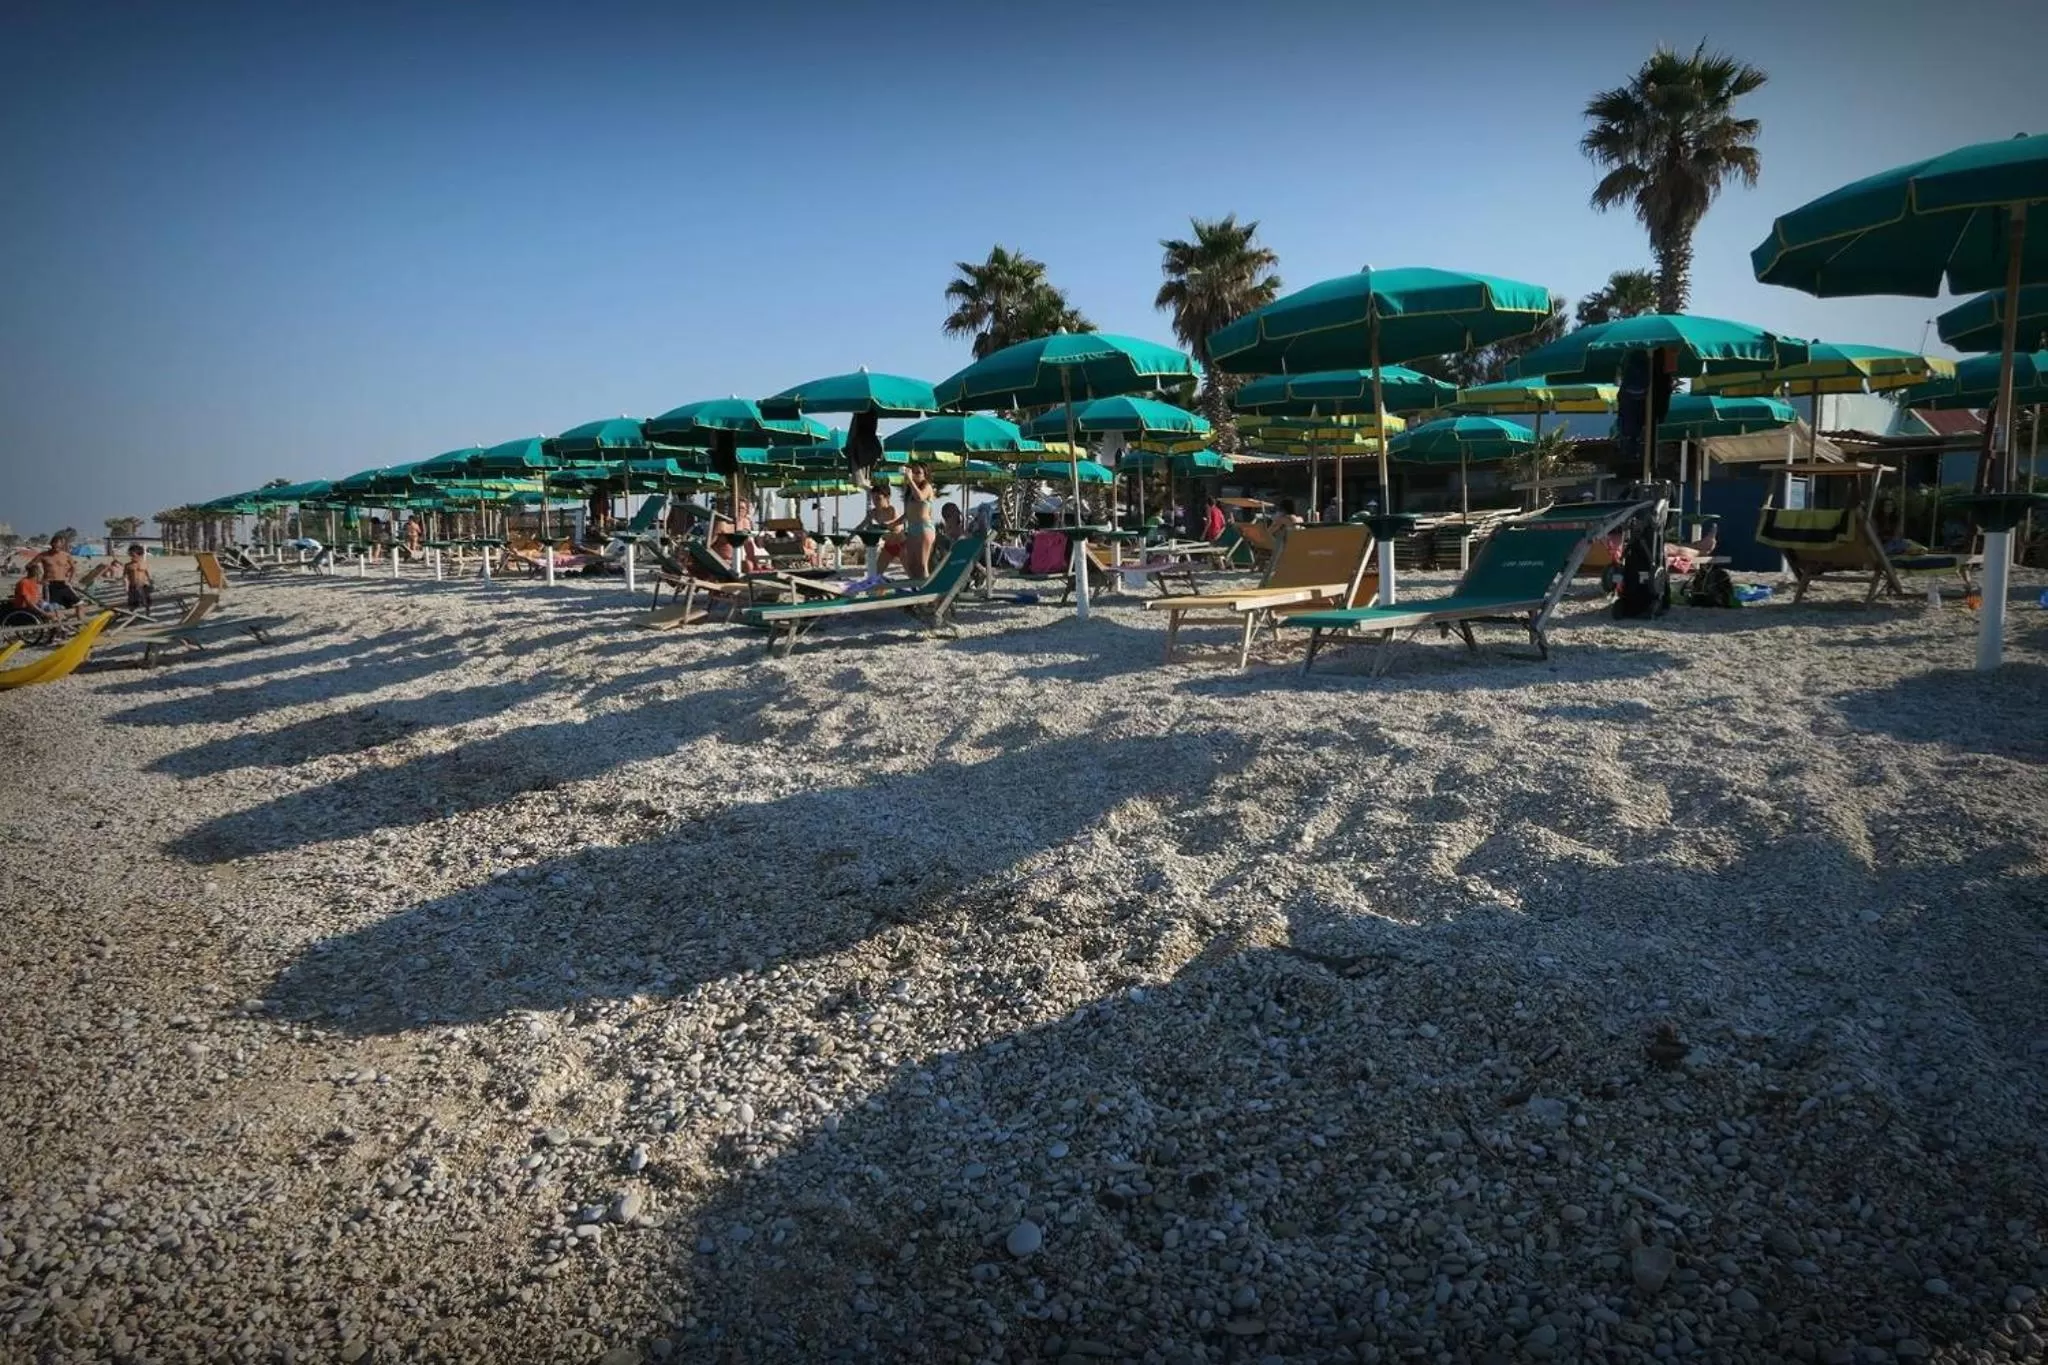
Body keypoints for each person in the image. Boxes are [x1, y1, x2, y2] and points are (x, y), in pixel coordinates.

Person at [900, 462, 939, 579]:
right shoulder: (909, 490)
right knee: (911, 565)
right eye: (914, 472)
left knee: (922, 565)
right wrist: (894, 523)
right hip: (912, 528)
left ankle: (925, 591)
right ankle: (915, 590)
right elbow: (908, 513)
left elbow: (920, 497)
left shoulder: (927, 487)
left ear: (925, 475)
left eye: (918, 472)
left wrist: (910, 480)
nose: (915, 475)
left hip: (924, 528)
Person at [32, 533, 85, 616]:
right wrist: (39, 580)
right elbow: (30, 566)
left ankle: (80, 624)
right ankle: (57, 627)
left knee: (80, 604)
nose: (58, 546)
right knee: (52, 608)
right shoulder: (43, 555)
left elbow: (74, 568)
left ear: (62, 545)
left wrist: (70, 580)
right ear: (52, 543)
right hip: (50, 585)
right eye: (56, 544)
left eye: (60, 544)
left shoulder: (66, 555)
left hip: (63, 583)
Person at [858, 483, 904, 569]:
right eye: (873, 499)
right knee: (877, 572)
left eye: (878, 499)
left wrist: (884, 525)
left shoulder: (891, 509)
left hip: (901, 545)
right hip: (888, 546)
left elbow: (897, 525)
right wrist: (849, 538)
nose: (875, 502)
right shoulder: (873, 512)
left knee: (912, 573)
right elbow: (861, 525)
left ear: (887, 498)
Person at [121, 544, 153, 613]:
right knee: (132, 602)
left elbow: (149, 575)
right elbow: (125, 577)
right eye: (130, 555)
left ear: (140, 555)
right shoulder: (128, 565)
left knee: (146, 601)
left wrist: (151, 583)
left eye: (133, 555)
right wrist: (126, 586)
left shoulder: (145, 564)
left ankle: (148, 612)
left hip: (143, 585)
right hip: (133, 586)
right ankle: (132, 612)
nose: (131, 557)